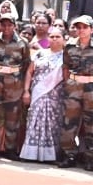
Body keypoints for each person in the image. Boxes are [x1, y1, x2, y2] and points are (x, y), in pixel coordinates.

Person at [58, 15, 93, 169]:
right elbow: (65, 66)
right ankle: (69, 155)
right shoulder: (69, 45)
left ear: (92, 29)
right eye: (78, 27)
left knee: (92, 123)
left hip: (92, 88)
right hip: (73, 87)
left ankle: (90, 158)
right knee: (69, 123)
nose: (81, 30)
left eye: (85, 27)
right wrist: (68, 82)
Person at [0, 13, 30, 158]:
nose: (6, 27)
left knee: (12, 117)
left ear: (14, 25)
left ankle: (10, 149)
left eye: (9, 25)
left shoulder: (23, 43)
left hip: (14, 84)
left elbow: (26, 64)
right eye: (4, 24)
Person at [19, 23, 66, 163]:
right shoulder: (40, 53)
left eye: (58, 36)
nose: (54, 39)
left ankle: (50, 155)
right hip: (37, 93)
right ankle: (31, 154)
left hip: (56, 96)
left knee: (52, 123)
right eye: (52, 36)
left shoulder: (66, 57)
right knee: (34, 121)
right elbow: (29, 72)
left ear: (64, 39)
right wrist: (26, 91)